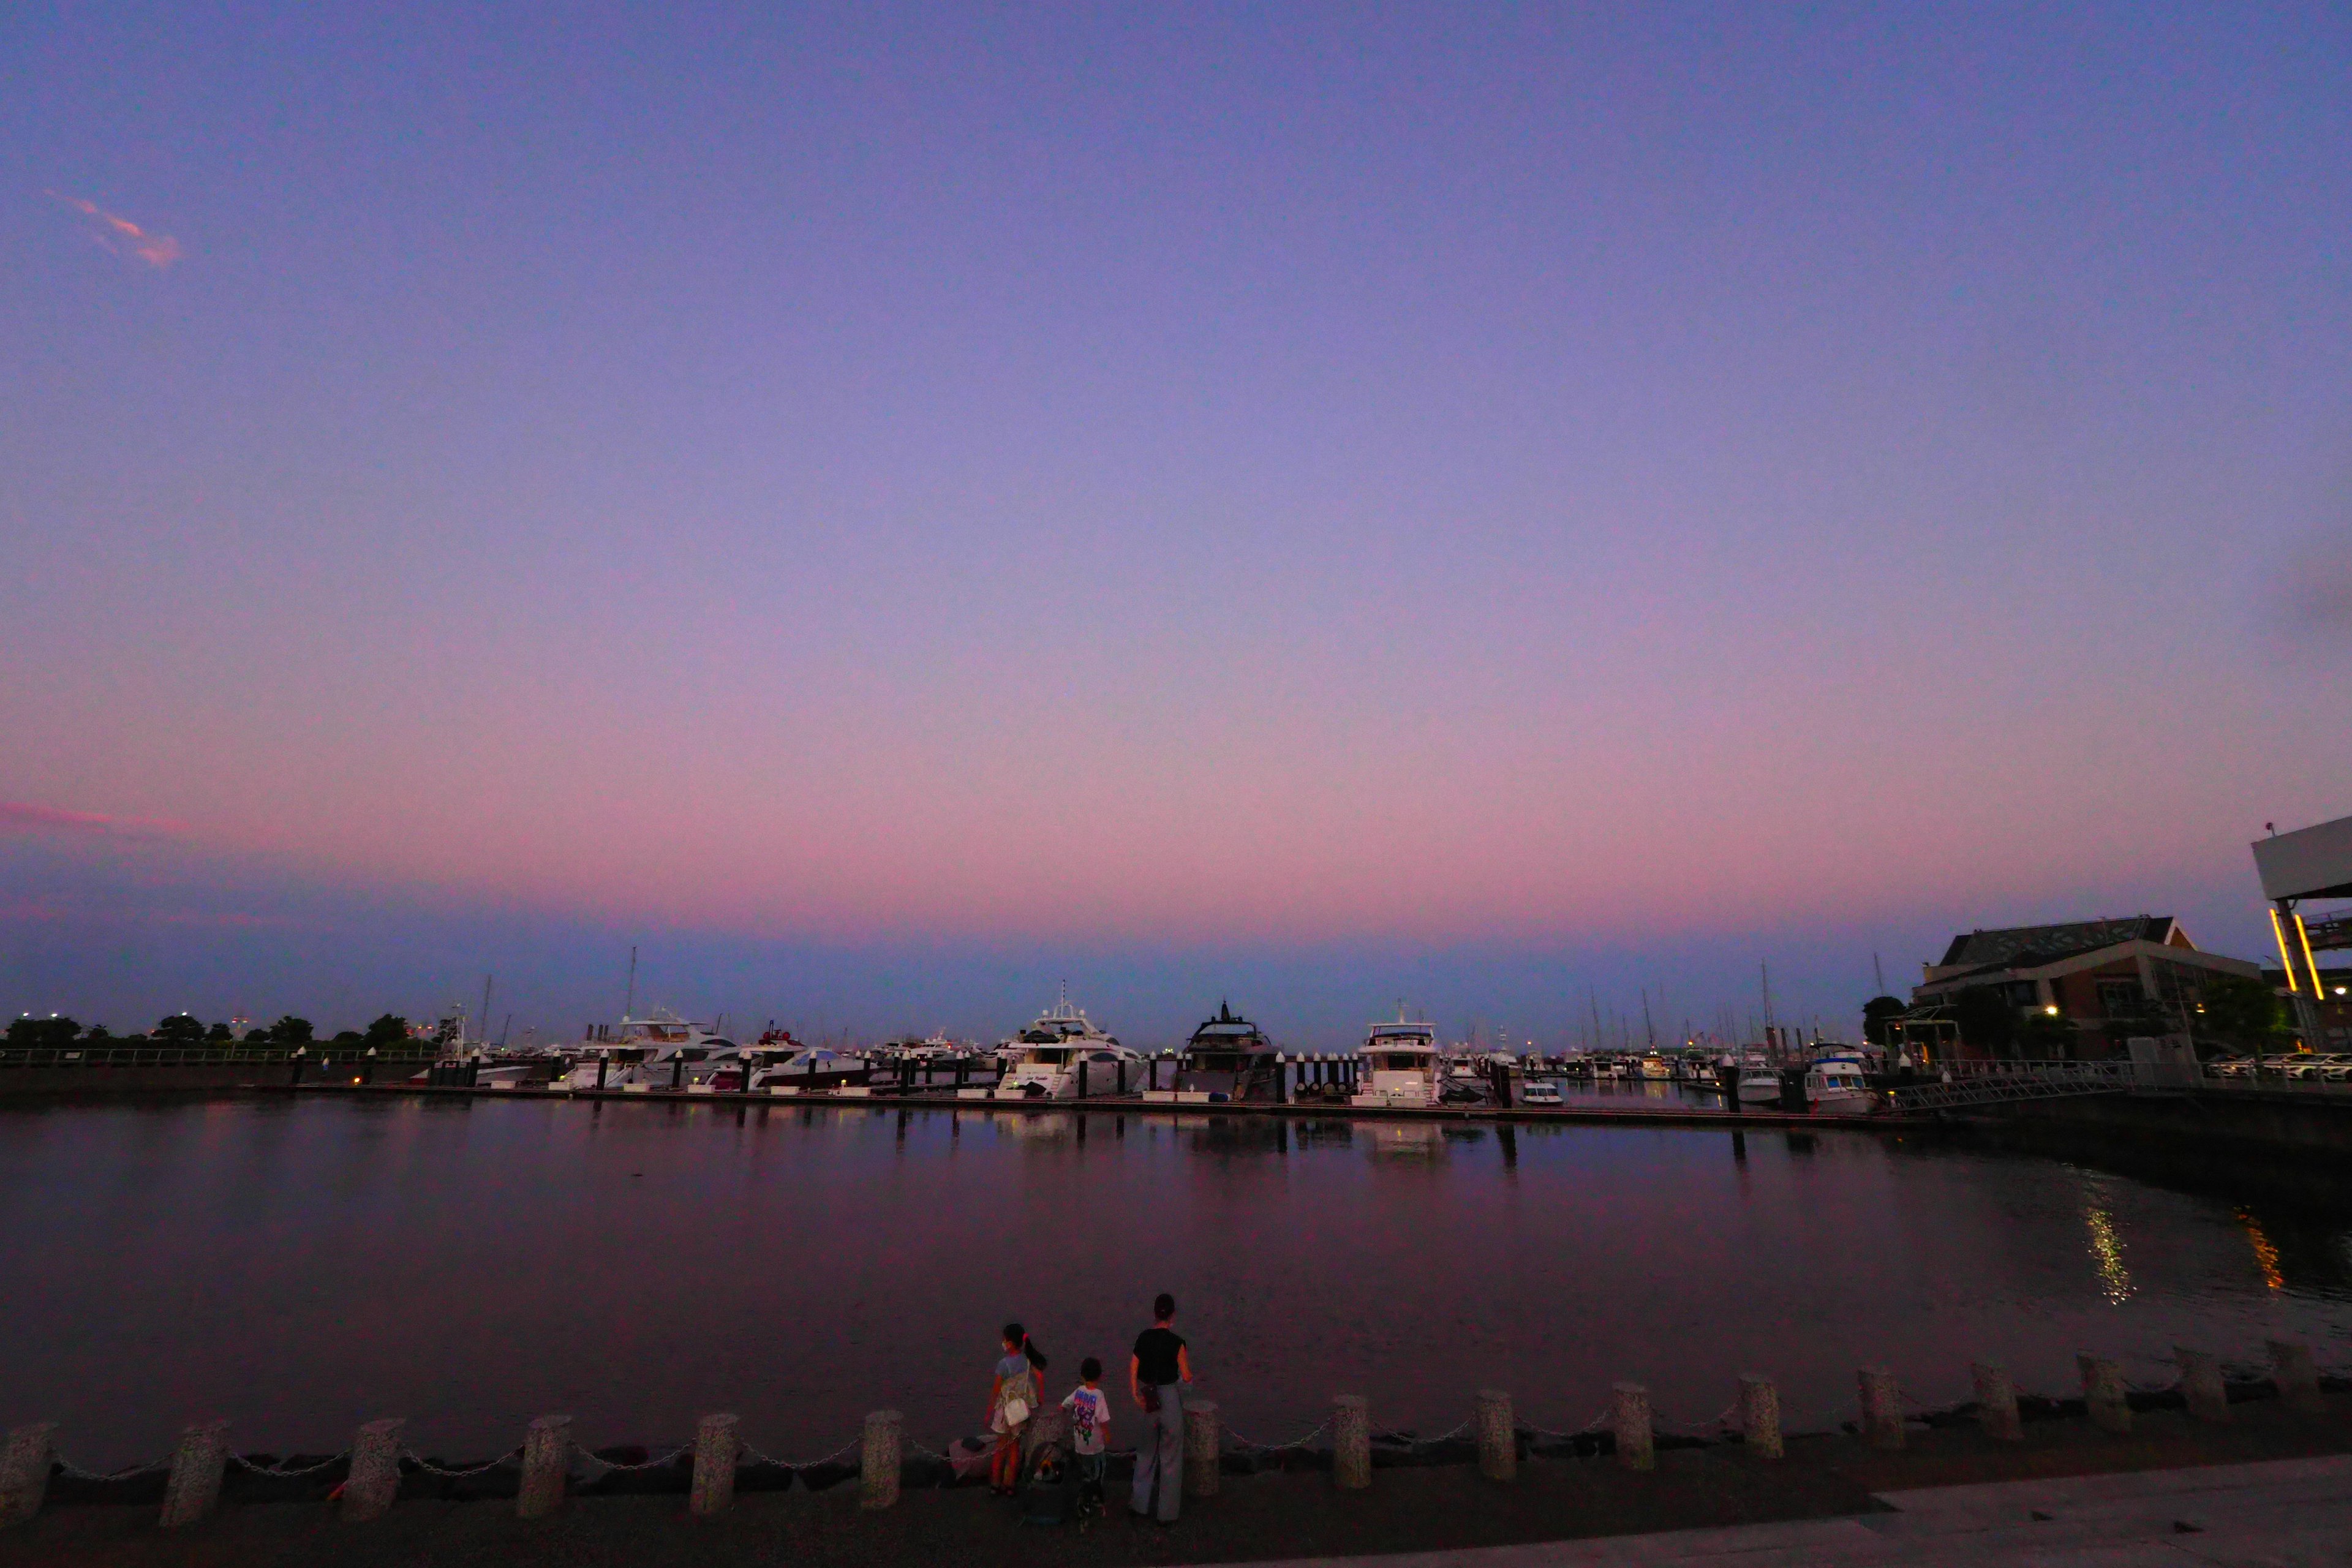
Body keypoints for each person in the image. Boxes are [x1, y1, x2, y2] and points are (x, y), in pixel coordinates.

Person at [1128, 1292, 1192, 1523]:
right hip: (1169, 1398)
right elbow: (1186, 1376)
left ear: (1155, 1314)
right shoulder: (1177, 1343)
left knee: (1145, 1453)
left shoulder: (1143, 1338)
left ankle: (1139, 1505)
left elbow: (1133, 1367)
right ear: (1172, 1315)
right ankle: (1167, 1513)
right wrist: (1187, 1387)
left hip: (1149, 1397)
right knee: (1171, 1457)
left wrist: (1136, 1394)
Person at [987, 1321, 1047, 1496]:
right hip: (1020, 1412)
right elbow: (1040, 1377)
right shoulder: (1027, 1361)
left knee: (1000, 1449)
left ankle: (995, 1485)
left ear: (1011, 1343)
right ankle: (1010, 1485)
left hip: (1004, 1412)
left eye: (1005, 1340)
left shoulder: (1003, 1365)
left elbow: (996, 1390)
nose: (1003, 1343)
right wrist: (1040, 1398)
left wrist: (989, 1412)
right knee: (1014, 1448)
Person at [1061, 1357, 1113, 1522]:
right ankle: (1091, 1500)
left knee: (1086, 1472)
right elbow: (1103, 1419)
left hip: (1080, 1443)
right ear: (1100, 1376)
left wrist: (1062, 1411)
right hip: (1096, 1445)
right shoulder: (1099, 1395)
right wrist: (1107, 1434)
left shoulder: (1078, 1392)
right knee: (1098, 1472)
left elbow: (1065, 1405)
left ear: (1082, 1376)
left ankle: (1087, 1495)